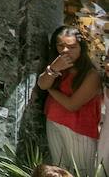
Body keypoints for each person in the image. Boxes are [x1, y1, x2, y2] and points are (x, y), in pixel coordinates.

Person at [38, 26, 101, 177]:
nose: (65, 51)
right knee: (58, 169)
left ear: (81, 48)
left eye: (72, 47)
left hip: (79, 129)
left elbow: (72, 105)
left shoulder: (91, 74)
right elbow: (42, 83)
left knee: (82, 171)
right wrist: (53, 68)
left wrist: (51, 90)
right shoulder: (58, 65)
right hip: (54, 122)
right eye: (61, 45)